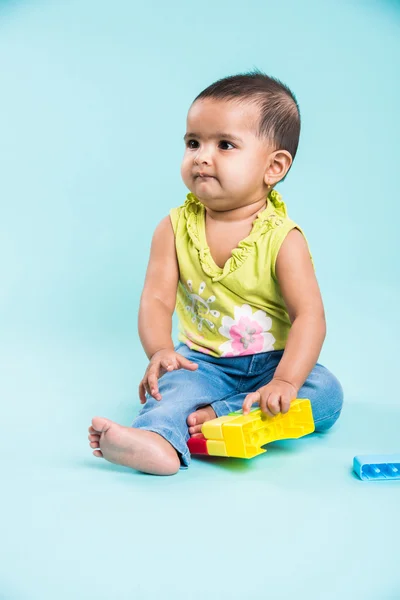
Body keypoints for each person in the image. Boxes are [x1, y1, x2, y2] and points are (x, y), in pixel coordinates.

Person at [88, 70, 344, 476]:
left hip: (272, 362)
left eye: (225, 144)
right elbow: (156, 299)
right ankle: (155, 441)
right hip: (203, 362)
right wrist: (159, 351)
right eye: (193, 143)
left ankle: (216, 414)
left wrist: (285, 381)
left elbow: (309, 317)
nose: (201, 156)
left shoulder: (283, 239)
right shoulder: (173, 228)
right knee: (169, 387)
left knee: (325, 392)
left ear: (274, 166)